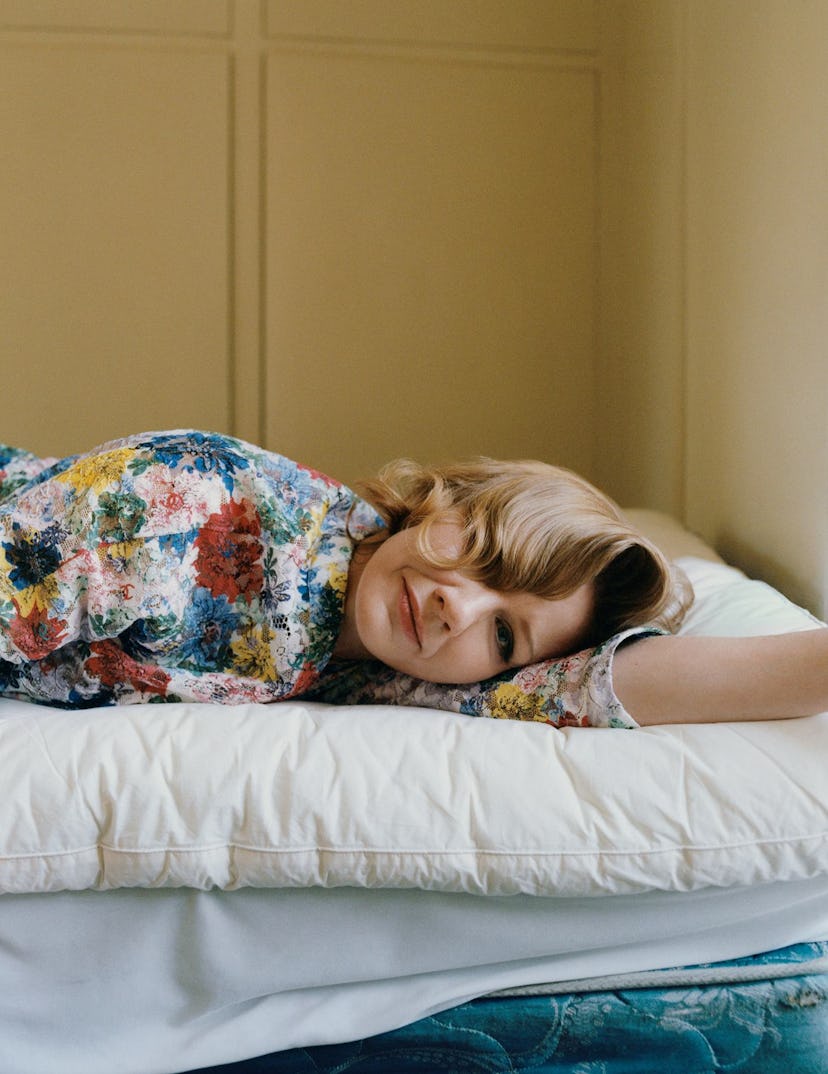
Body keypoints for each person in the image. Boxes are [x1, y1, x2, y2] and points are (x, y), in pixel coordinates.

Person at [0, 430, 825, 728]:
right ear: (440, 497)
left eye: (504, 633)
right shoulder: (197, 502)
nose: (456, 606)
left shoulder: (389, 672)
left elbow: (601, 686)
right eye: (480, 551)